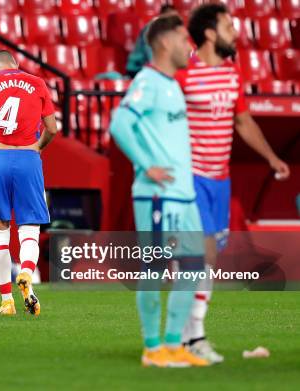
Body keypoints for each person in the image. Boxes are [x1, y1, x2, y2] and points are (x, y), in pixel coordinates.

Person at [175, 3, 290, 363]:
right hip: (190, 177)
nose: (236, 31)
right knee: (198, 257)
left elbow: (243, 122)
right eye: (228, 24)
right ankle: (193, 337)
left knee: (205, 260)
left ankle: (186, 338)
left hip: (219, 181)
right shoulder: (184, 75)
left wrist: (271, 158)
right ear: (209, 33)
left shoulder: (230, 75)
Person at [110, 15, 209, 367]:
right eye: (184, 39)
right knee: (153, 269)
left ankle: (172, 345)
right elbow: (119, 123)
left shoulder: (171, 84)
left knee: (194, 269)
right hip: (157, 194)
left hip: (184, 194)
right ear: (165, 43)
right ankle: (152, 348)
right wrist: (145, 164)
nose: (190, 46)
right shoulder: (148, 81)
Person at [0, 50, 58, 316]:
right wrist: (38, 147)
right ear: (16, 64)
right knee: (29, 228)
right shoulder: (38, 83)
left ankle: (7, 301)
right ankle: (25, 272)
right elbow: (53, 129)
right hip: (29, 160)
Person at [126, 5, 178, 77]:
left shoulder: (169, 33)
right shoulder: (151, 29)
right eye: (171, 18)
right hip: (137, 69)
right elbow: (151, 56)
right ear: (162, 17)